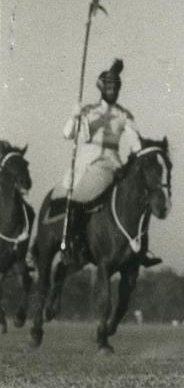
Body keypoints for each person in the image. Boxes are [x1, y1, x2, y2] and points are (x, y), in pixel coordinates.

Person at [52, 59, 159, 267]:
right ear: (101, 88)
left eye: (116, 87)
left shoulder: (124, 115)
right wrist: (73, 117)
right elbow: (67, 134)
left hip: (113, 165)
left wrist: (142, 156)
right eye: (109, 87)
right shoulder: (88, 111)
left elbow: (135, 142)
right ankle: (74, 243)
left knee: (138, 197)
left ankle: (139, 248)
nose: (112, 91)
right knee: (79, 200)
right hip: (89, 164)